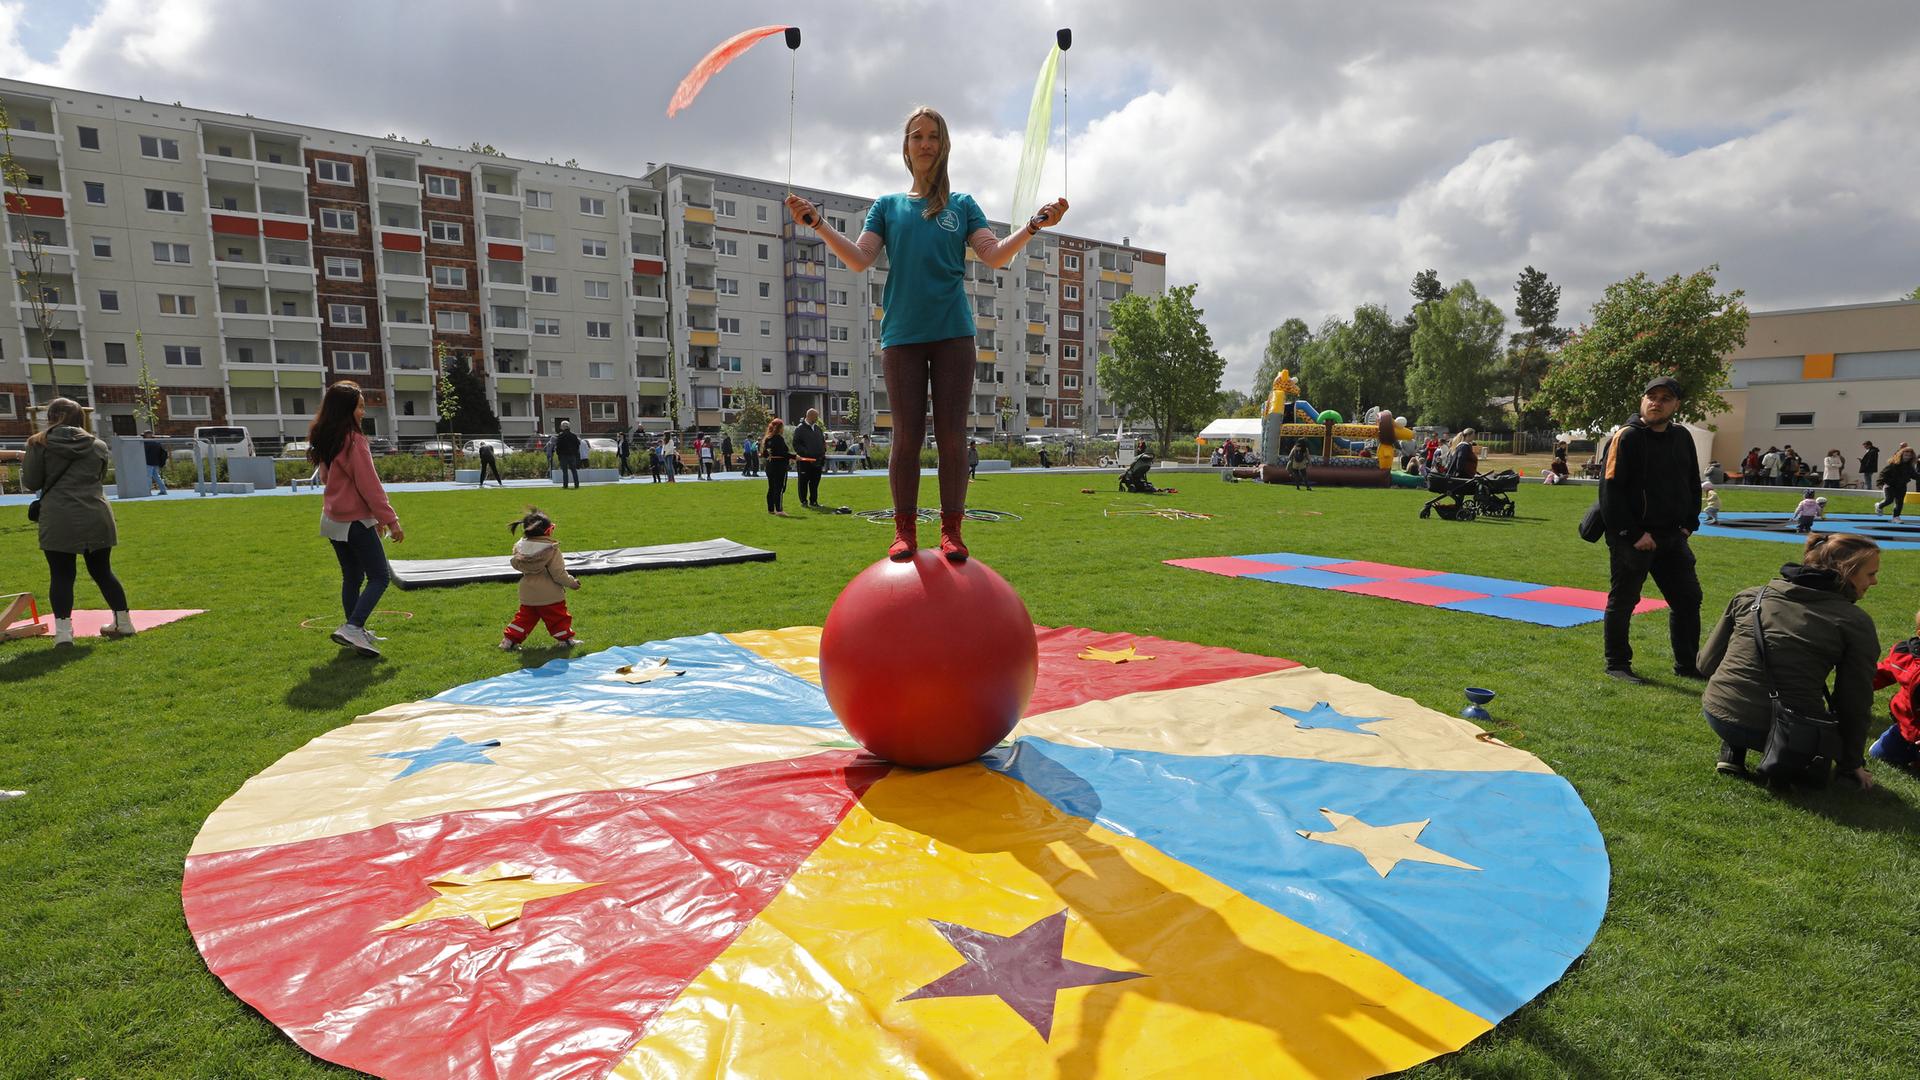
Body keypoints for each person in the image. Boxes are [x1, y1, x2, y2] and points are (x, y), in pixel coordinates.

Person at [788, 106, 1066, 561]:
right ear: (906, 147)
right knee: (907, 437)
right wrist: (817, 224)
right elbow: (860, 259)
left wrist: (1034, 225)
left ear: (944, 144)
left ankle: (952, 530)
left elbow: (994, 255)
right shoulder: (888, 206)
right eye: (917, 136)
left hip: (953, 333)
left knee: (953, 436)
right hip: (902, 336)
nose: (925, 143)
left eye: (933, 136)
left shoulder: (962, 205)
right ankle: (904, 531)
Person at [1698, 533, 1880, 790]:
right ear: (1847, 572)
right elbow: (1854, 702)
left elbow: (1706, 664)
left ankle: (1733, 750)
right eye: (1870, 574)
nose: (1875, 582)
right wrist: (1851, 764)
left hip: (1718, 714)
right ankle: (1781, 764)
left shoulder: (1751, 596)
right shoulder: (1854, 622)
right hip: (1790, 731)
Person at [1597, 376, 1703, 684]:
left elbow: (1691, 483)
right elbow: (1609, 493)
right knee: (1624, 600)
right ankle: (1617, 663)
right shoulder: (1626, 437)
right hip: (1633, 538)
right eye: (1651, 396)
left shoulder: (1682, 437)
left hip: (1672, 536)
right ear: (1642, 400)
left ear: (1676, 405)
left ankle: (1687, 664)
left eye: (1665, 398)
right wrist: (1632, 534)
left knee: (1688, 599)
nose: (1656, 402)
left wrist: (1688, 524)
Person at [25, 398, 136, 647]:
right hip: (95, 512)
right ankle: (124, 622)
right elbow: (98, 476)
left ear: (51, 417)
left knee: (62, 575)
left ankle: (64, 633)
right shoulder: (97, 445)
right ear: (80, 418)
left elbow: (32, 481)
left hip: (58, 515)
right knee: (102, 571)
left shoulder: (38, 443)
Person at [308, 381, 402, 657]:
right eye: (360, 407)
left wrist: (376, 517)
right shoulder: (354, 440)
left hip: (332, 519)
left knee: (352, 575)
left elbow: (328, 478)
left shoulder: (327, 438)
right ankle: (353, 627)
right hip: (354, 522)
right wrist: (391, 520)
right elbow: (369, 484)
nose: (363, 412)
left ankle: (354, 630)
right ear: (346, 409)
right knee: (379, 577)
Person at [499, 506, 581, 651]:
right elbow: (558, 574)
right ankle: (566, 640)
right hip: (550, 595)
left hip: (527, 593)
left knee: (524, 619)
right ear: (548, 530)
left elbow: (515, 564)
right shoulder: (551, 549)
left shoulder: (520, 548)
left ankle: (509, 641)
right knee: (557, 618)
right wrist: (572, 583)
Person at [1869, 609, 1920, 769]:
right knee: (1876, 754)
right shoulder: (1904, 656)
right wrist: (1859, 683)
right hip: (1906, 729)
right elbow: (1883, 673)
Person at [791, 407, 827, 508]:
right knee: (803, 481)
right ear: (809, 416)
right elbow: (796, 444)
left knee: (815, 482)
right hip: (805, 461)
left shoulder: (818, 429)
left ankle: (814, 501)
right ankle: (803, 501)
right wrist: (806, 453)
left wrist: (823, 452)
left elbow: (822, 442)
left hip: (817, 460)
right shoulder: (800, 429)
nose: (817, 419)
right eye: (815, 417)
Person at [1874, 446, 1916, 522]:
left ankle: (1896, 517)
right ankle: (1879, 505)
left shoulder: (1910, 467)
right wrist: (1880, 483)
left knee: (1899, 502)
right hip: (1890, 485)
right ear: (1901, 455)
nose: (1907, 457)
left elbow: (1915, 475)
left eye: (1910, 456)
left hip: (1902, 486)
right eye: (1906, 455)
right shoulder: (1893, 464)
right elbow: (1883, 474)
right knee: (1889, 500)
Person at [762, 417, 791, 516]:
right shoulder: (779, 438)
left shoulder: (767, 439)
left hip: (770, 466)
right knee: (779, 488)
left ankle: (771, 509)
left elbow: (764, 454)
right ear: (779, 428)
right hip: (779, 467)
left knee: (771, 488)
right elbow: (783, 453)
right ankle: (779, 510)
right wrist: (795, 457)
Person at [552, 421, 581, 488]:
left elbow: (558, 446)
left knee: (565, 471)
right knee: (574, 470)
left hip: (563, 456)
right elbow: (578, 445)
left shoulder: (561, 436)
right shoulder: (574, 435)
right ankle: (576, 485)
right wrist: (575, 453)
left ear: (562, 427)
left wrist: (559, 454)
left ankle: (565, 485)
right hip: (572, 455)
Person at [141, 430, 168, 494]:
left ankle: (148, 491)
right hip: (156, 462)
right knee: (157, 477)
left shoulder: (146, 443)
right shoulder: (156, 442)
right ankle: (163, 490)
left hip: (148, 462)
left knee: (148, 477)